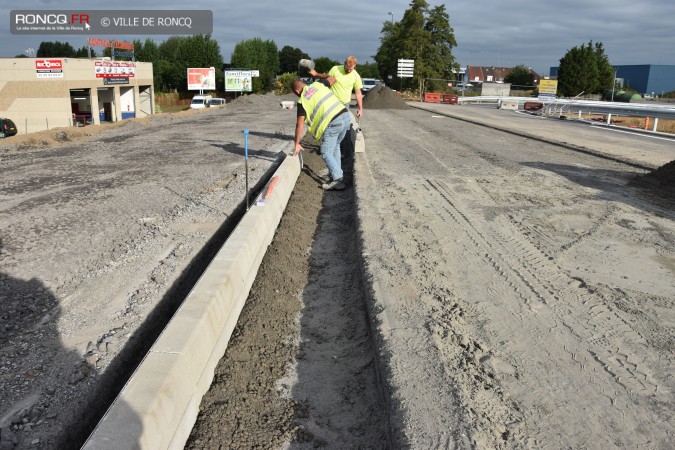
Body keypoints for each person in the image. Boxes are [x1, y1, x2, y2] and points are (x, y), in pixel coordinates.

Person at [292, 77, 351, 191]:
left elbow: (299, 125)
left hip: (333, 122)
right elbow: (333, 79)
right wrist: (318, 74)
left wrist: (297, 143)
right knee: (335, 147)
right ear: (305, 84)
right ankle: (334, 172)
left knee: (325, 152)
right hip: (345, 116)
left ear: (296, 91)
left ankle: (338, 179)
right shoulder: (318, 85)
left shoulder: (302, 101)